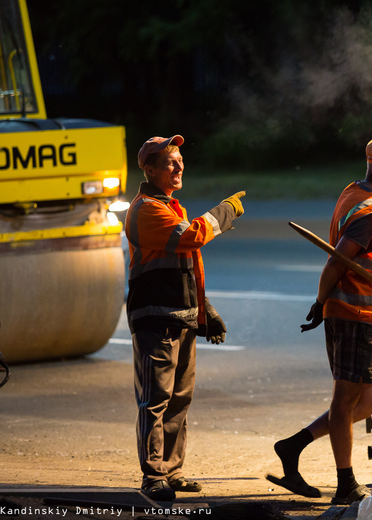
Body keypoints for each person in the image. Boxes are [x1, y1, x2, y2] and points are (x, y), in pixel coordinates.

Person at [268, 134, 372, 505]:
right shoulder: (369, 214)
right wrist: (320, 301)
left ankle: (294, 445)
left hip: (369, 313)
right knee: (345, 401)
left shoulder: (357, 194)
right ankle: (345, 483)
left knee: (371, 401)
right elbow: (336, 260)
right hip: (355, 312)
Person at [125, 135, 246, 501]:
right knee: (156, 399)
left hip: (179, 317)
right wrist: (226, 210)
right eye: (168, 162)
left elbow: (186, 268)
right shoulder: (147, 209)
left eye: (179, 160)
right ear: (149, 170)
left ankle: (172, 471)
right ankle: (153, 475)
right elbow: (191, 238)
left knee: (179, 399)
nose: (178, 167)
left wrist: (204, 313)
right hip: (155, 320)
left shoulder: (169, 205)